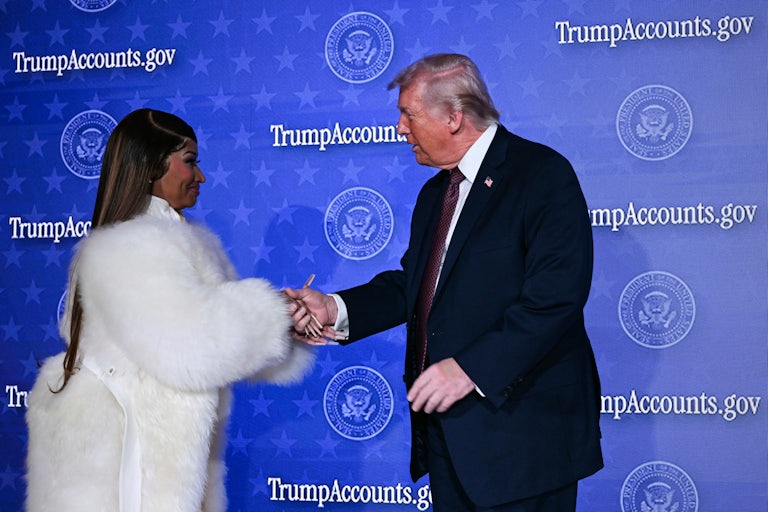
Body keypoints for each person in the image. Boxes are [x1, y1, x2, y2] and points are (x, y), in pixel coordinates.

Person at [286, 53, 602, 511]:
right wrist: (335, 308)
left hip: (525, 441)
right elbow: (414, 284)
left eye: (408, 113)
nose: (399, 127)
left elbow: (555, 300)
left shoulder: (541, 175)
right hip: (451, 440)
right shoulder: (436, 191)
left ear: (453, 117)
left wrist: (471, 368)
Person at [25, 108, 314, 512]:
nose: (201, 177)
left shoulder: (187, 240)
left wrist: (289, 326)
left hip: (159, 453)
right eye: (191, 162)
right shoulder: (132, 245)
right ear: (148, 167)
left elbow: (226, 342)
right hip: (125, 457)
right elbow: (193, 346)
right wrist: (273, 315)